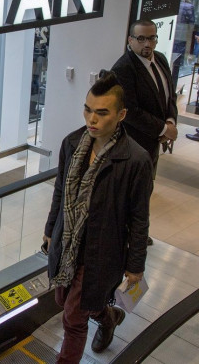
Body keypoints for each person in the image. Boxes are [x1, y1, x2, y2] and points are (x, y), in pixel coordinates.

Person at [43, 72, 151, 363]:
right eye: (88, 110)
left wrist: (135, 265)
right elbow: (60, 189)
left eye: (102, 113)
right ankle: (108, 315)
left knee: (73, 318)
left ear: (121, 115)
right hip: (68, 243)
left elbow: (140, 218)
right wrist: (51, 227)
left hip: (102, 252)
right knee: (65, 300)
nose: (92, 119)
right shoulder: (72, 143)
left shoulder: (136, 160)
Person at [111, 19, 177, 186]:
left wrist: (170, 122)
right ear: (130, 40)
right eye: (141, 39)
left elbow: (170, 95)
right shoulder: (123, 68)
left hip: (154, 142)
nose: (147, 44)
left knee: (145, 188)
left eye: (152, 38)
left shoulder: (161, 59)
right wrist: (163, 129)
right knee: (132, 192)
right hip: (134, 144)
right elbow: (130, 111)